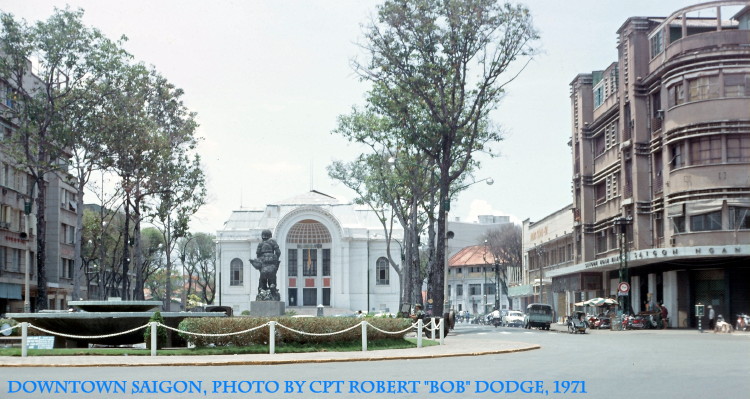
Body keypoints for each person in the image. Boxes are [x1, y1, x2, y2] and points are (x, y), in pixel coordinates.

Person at [251, 229, 281, 301]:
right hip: (272, 267)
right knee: (272, 280)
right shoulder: (273, 242)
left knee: (262, 281)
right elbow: (278, 252)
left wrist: (261, 260)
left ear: (263, 236)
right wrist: (275, 259)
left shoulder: (260, 244)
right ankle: (272, 287)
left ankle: (261, 290)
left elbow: (258, 254)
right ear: (270, 235)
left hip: (263, 268)